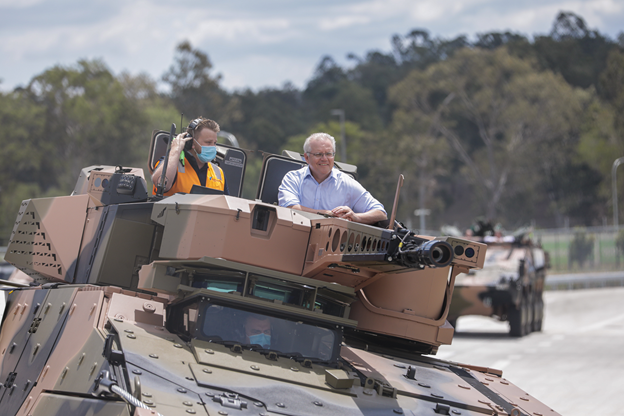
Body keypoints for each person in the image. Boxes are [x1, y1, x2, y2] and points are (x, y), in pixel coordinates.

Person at [278, 133, 387, 225]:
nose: (324, 159)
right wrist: (327, 214)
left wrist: (355, 217)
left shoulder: (347, 183)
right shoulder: (292, 178)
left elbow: (380, 213)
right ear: (307, 157)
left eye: (329, 154)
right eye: (318, 154)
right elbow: (289, 208)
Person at [152, 117, 229, 196]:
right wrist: (175, 150)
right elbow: (160, 182)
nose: (213, 147)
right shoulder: (172, 164)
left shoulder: (219, 173)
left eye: (215, 143)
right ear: (191, 142)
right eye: (208, 142)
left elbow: (227, 205)